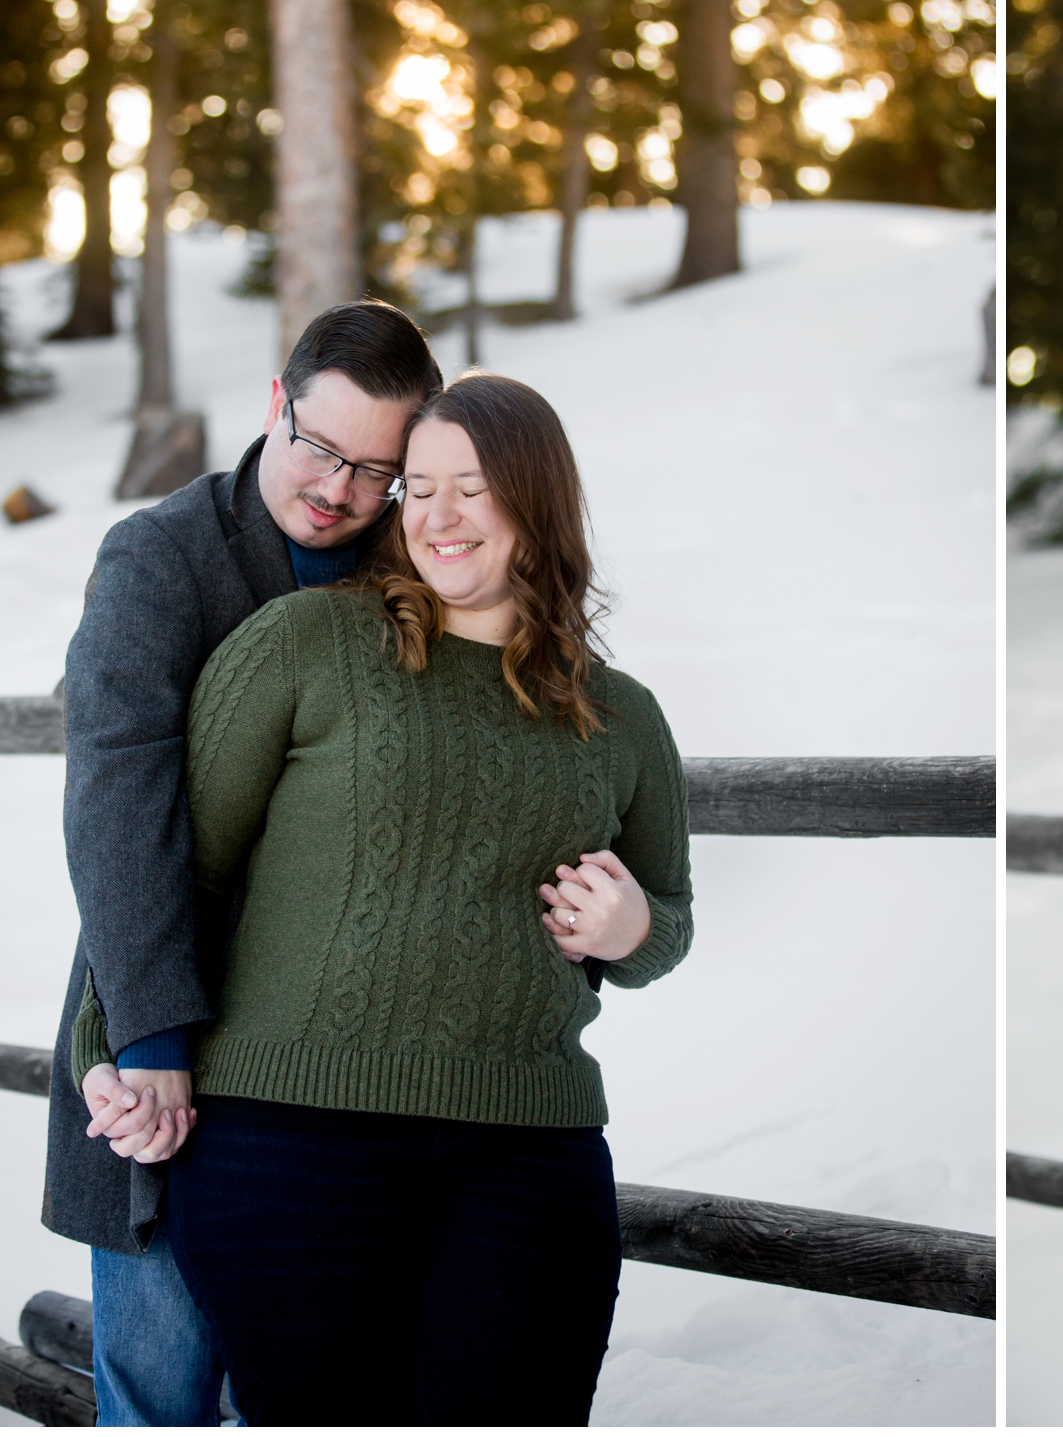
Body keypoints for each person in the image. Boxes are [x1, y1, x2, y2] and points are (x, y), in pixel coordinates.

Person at [113, 370, 693, 1426]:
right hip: (285, 1147)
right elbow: (170, 866)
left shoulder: (622, 714)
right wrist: (110, 1047)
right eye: (417, 486)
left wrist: (636, 928)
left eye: (472, 486)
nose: (438, 515)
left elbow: (668, 916)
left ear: (539, 500)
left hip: (526, 1147)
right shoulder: (307, 644)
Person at [44, 300, 444, 1426]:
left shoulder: (415, 566)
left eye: (378, 470)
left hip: (346, 1051)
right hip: (170, 1024)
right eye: (320, 448)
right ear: (276, 406)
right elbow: (116, 797)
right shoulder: (160, 556)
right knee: (164, 1378)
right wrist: (153, 1037)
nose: (340, 491)